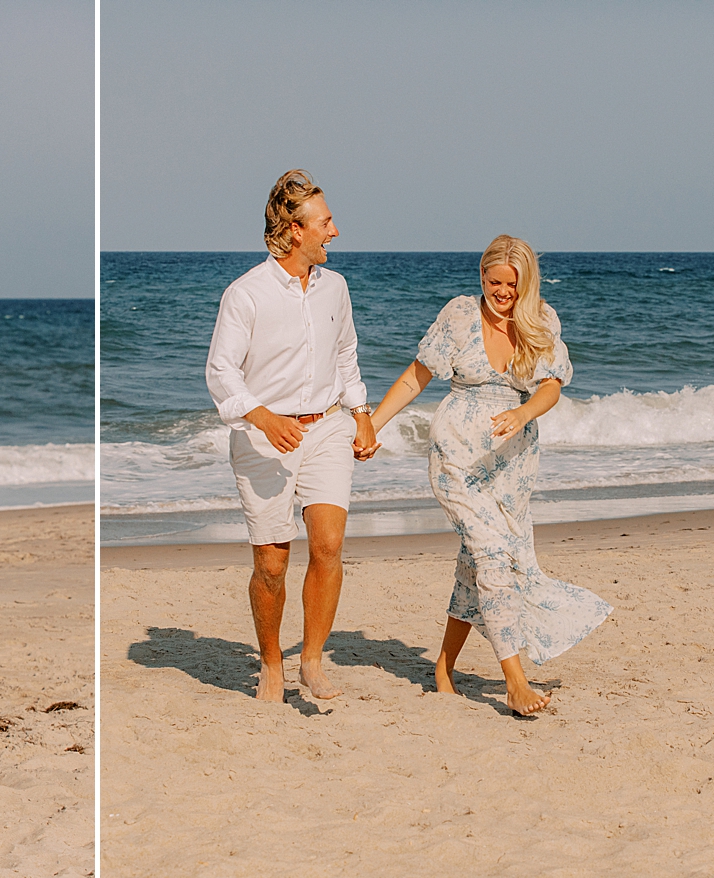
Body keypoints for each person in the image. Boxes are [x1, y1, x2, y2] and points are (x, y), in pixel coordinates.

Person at [360, 235, 610, 716]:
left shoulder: (541, 321)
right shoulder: (458, 315)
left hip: (512, 463)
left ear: (527, 284)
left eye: (511, 286)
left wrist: (523, 414)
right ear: (481, 277)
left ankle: (443, 666)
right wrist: (373, 421)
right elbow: (418, 375)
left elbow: (551, 388)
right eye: (492, 282)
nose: (501, 293)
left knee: (478, 563)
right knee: (493, 555)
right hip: (457, 457)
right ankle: (515, 682)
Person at [205, 169, 378, 702]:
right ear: (294, 230)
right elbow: (220, 372)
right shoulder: (246, 294)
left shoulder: (337, 288)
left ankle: (311, 659)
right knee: (271, 565)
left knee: (328, 545)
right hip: (265, 439)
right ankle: (271, 661)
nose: (336, 231)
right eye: (326, 222)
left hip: (328, 427)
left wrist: (362, 411)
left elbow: (345, 354)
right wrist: (262, 417)